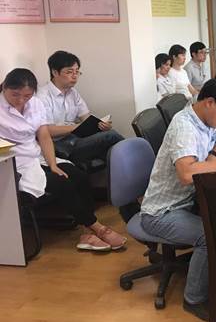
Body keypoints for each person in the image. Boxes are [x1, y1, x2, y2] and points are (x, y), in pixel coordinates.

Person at [140, 79, 216, 321]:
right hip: (161, 212)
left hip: (189, 201)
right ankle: (194, 299)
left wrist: (212, 157)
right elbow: (187, 175)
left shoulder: (206, 120)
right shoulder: (185, 127)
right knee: (209, 235)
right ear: (209, 103)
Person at [1, 69, 126, 251]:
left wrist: (53, 164)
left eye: (27, 96)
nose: (21, 100)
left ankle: (87, 233)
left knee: (79, 176)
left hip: (36, 155)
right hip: (12, 164)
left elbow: (43, 135)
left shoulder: (35, 103)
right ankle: (97, 227)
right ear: (4, 87)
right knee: (62, 182)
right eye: (15, 95)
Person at [37, 50, 124, 164]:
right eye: (69, 72)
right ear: (55, 72)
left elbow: (86, 117)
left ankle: (124, 169)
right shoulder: (42, 96)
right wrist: (78, 127)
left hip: (75, 138)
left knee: (109, 142)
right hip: (57, 145)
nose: (74, 76)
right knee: (110, 136)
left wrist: (100, 125)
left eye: (77, 72)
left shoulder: (73, 93)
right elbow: (48, 131)